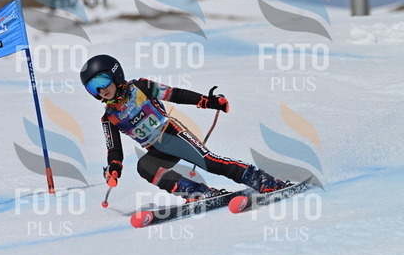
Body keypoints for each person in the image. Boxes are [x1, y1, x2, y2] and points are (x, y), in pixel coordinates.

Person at [80, 54, 288, 200]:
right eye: (92, 87)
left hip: (172, 135)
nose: (100, 90)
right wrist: (114, 168)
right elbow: (114, 150)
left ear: (115, 74)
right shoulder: (109, 117)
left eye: (102, 81)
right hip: (157, 150)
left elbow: (175, 94)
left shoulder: (141, 87)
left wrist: (207, 101)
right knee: (144, 167)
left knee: (210, 162)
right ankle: (196, 192)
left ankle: (261, 179)